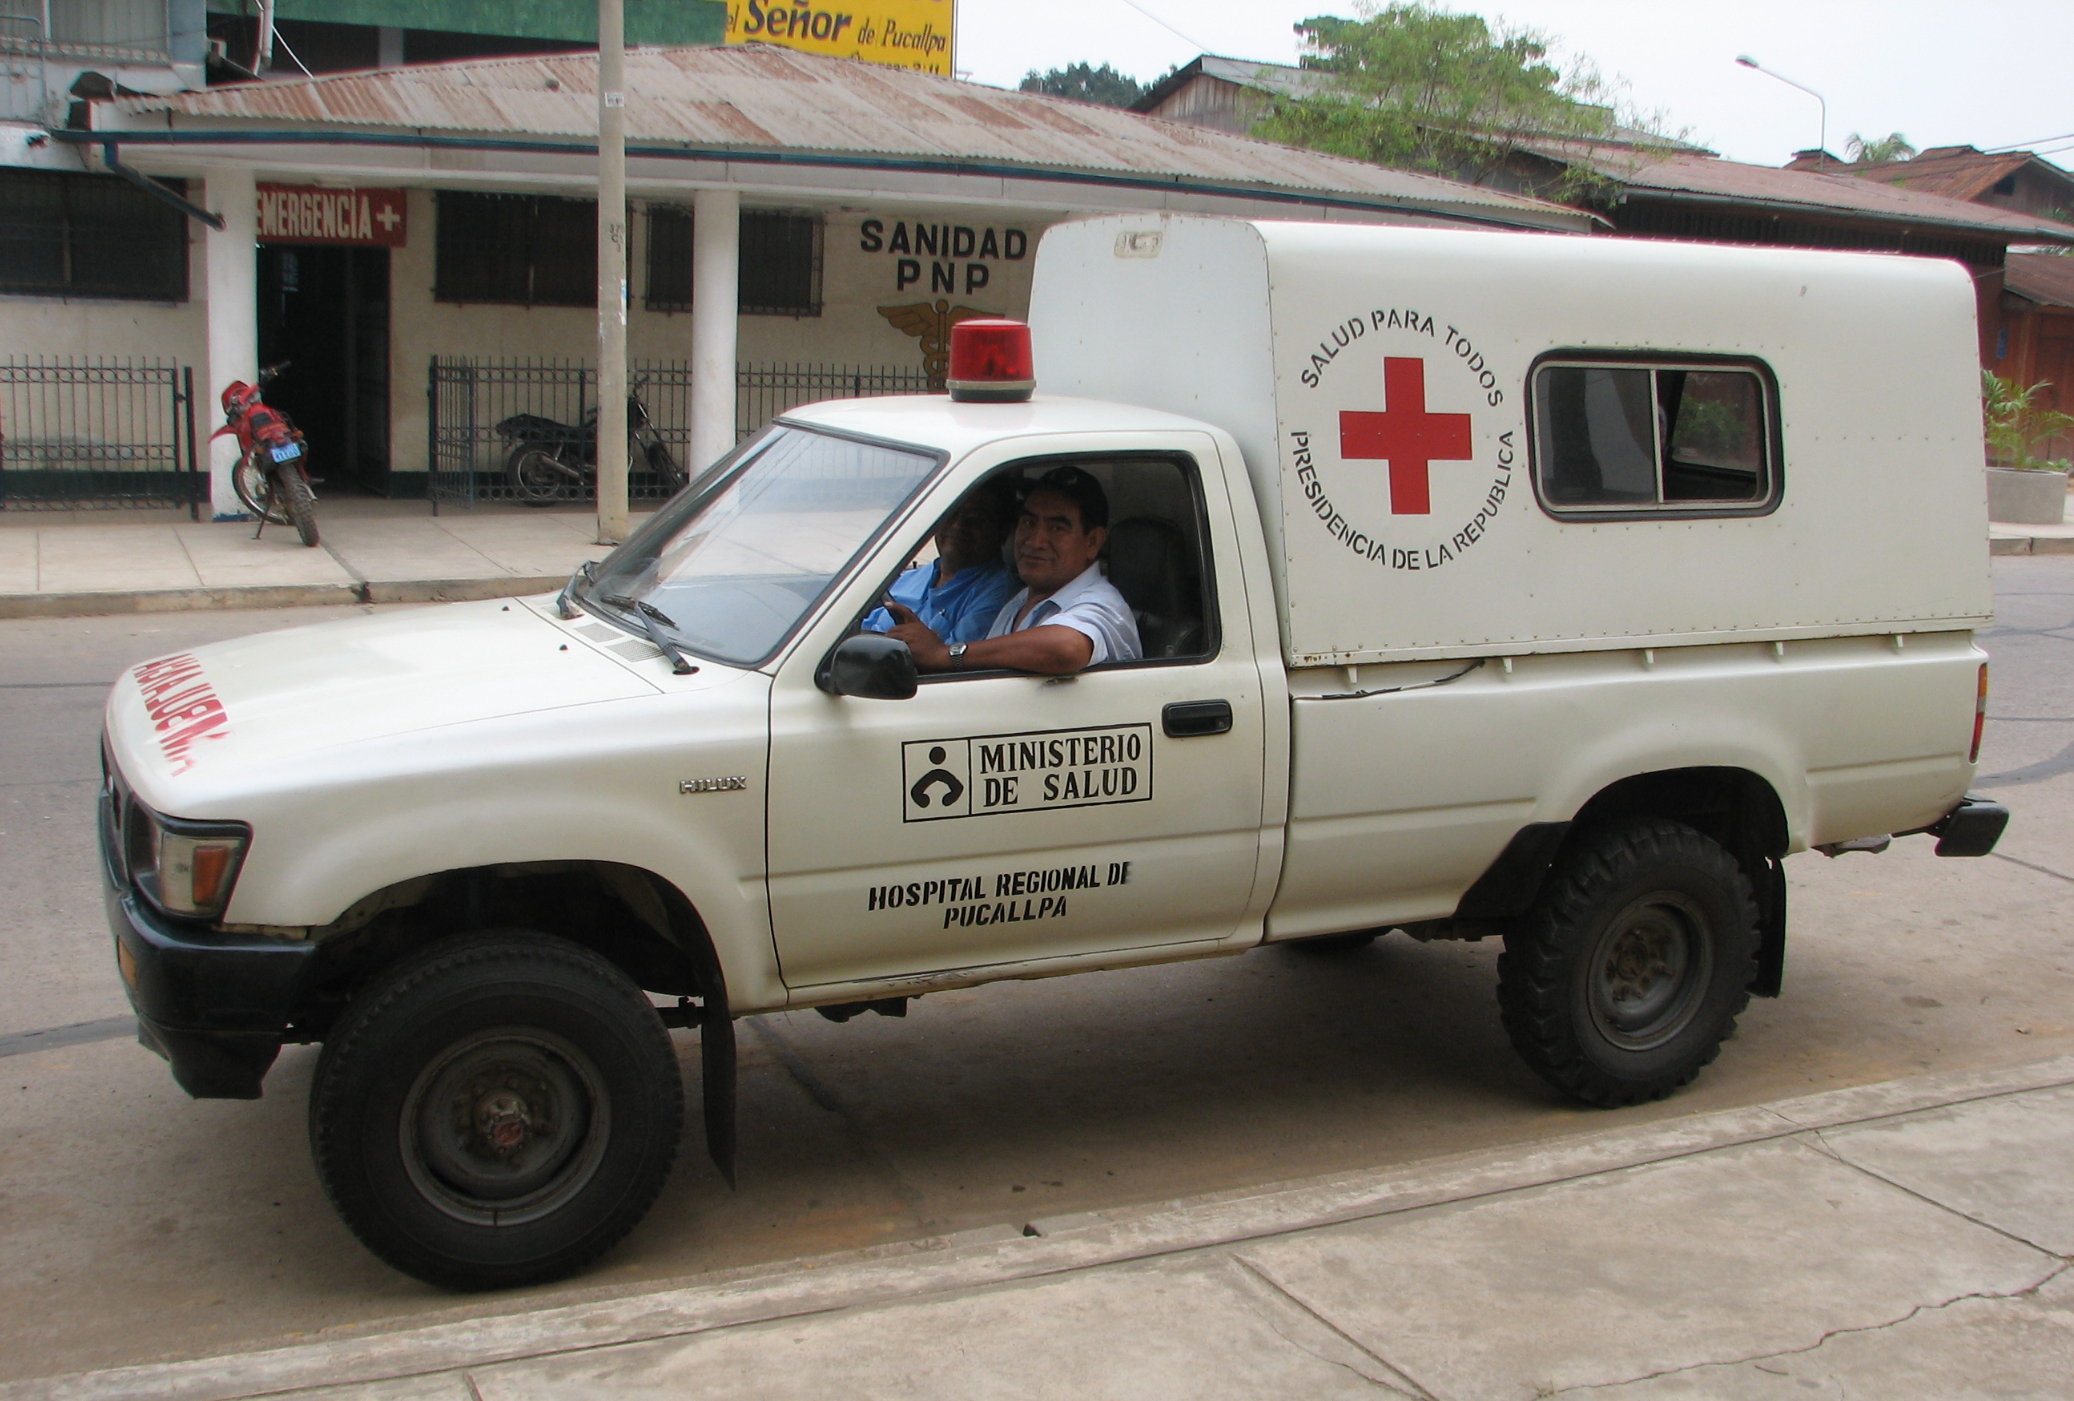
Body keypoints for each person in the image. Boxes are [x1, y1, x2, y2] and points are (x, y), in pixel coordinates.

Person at [885, 465, 1141, 675]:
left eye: (1056, 528)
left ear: (1092, 542)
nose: (1035, 540)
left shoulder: (1102, 603)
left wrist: (944, 655)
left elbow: (1067, 647)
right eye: (1028, 522)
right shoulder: (1022, 599)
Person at [863, 478, 1018, 644]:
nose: (958, 525)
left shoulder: (998, 595)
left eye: (975, 518)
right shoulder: (912, 577)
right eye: (951, 513)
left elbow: (951, 657)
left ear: (1003, 531)